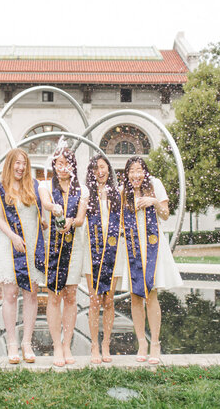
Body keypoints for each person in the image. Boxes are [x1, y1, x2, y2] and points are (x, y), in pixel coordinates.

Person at [121, 156, 183, 365]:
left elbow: (165, 215)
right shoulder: (124, 191)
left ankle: (155, 342)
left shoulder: (155, 184)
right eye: (131, 171)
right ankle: (141, 343)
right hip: (132, 248)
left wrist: (154, 202)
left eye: (139, 170)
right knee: (135, 296)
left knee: (151, 293)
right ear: (127, 173)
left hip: (153, 247)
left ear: (144, 172)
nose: (135, 174)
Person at [0, 148, 46, 364]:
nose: (20, 167)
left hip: (31, 244)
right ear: (9, 164)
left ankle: (27, 342)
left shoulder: (33, 186)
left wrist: (45, 221)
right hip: (9, 243)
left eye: (24, 163)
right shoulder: (0, 187)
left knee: (31, 293)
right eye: (17, 163)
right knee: (10, 294)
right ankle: (12, 342)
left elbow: (40, 213)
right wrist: (13, 237)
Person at [38, 144, 88, 367]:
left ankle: (67, 343)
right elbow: (46, 203)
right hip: (53, 249)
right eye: (58, 164)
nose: (62, 168)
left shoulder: (82, 190)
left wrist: (70, 221)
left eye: (66, 164)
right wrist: (55, 209)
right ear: (54, 165)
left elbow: (80, 219)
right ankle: (56, 346)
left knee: (71, 295)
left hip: (74, 246)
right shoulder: (46, 185)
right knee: (54, 295)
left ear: (73, 166)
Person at [82, 153, 125, 364]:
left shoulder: (118, 194)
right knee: (94, 300)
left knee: (109, 301)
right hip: (92, 252)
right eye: (96, 168)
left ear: (109, 169)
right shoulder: (86, 195)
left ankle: (106, 343)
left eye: (103, 166)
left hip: (114, 253)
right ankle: (94, 346)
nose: (100, 171)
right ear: (91, 172)